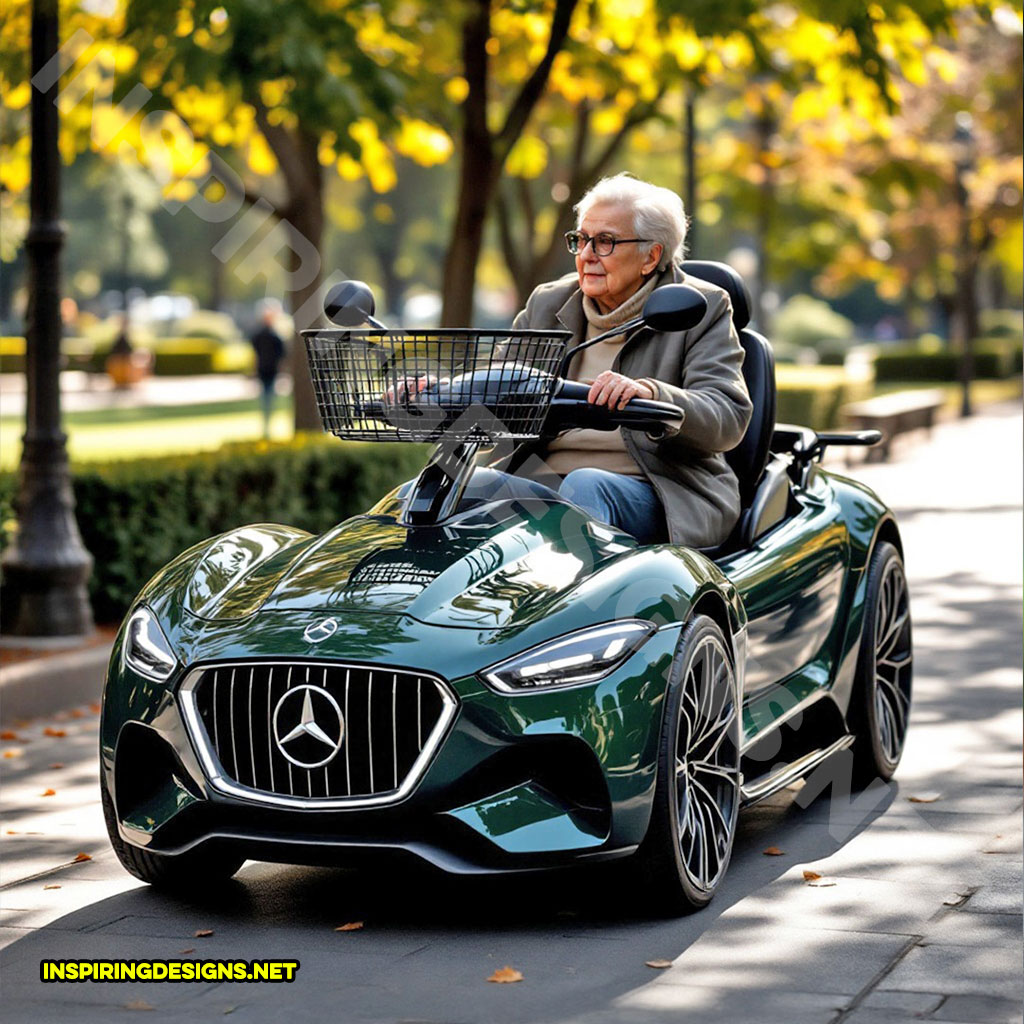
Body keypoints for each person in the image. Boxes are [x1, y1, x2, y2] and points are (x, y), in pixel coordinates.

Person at [493, 173, 752, 549]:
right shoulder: (547, 303)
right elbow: (498, 383)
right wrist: (433, 392)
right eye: (581, 240)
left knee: (585, 486)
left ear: (651, 256)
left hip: (663, 490)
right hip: (544, 483)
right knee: (454, 485)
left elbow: (728, 417)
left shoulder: (703, 306)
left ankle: (570, 606)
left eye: (605, 242)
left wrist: (651, 394)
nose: (586, 255)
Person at [250, 304, 286, 439]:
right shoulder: (268, 335)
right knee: (267, 399)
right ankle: (267, 427)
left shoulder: (273, 336)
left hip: (270, 371)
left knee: (268, 399)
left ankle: (268, 427)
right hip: (265, 371)